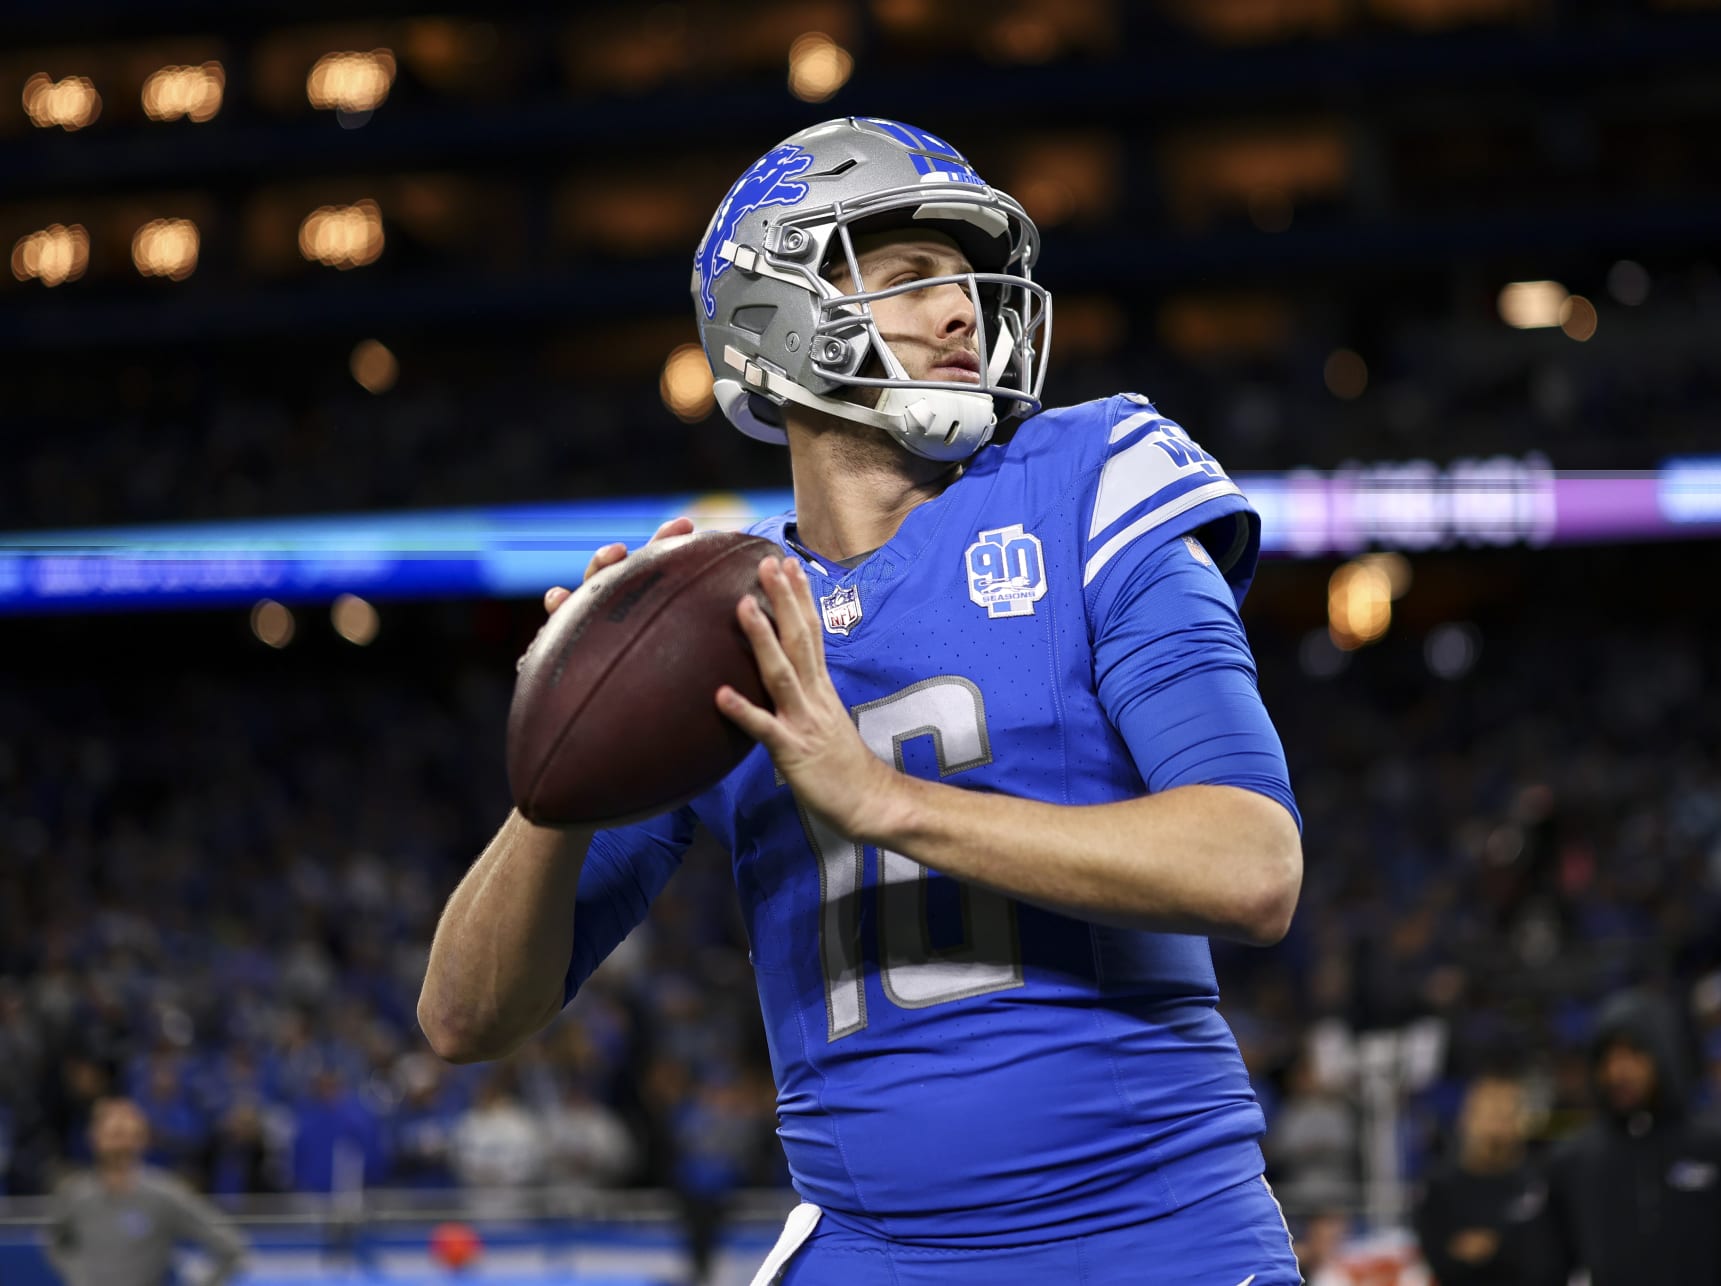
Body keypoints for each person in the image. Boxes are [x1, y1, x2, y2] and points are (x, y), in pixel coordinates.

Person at [419, 116, 1305, 1284]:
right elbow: (464, 1018)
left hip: (1150, 1232)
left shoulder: (1092, 477)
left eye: (965, 281)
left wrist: (884, 798)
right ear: (775, 320)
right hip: (874, 1250)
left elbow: (1251, 865)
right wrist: (562, 768)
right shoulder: (718, 616)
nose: (961, 314)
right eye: (908, 278)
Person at [1538, 989, 1721, 1285]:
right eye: (1608, 1057)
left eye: (1633, 1053)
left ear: (1663, 1052)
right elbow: (1549, 1270)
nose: (1619, 1071)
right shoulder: (1573, 1162)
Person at [42, 1097, 245, 1286]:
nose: (119, 1143)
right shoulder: (75, 1193)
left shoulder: (165, 1194)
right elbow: (55, 1239)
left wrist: (205, 1281)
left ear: (142, 1139)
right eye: (113, 1134)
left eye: (125, 1134)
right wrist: (77, 1276)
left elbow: (230, 1247)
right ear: (94, 1138)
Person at [1414, 1071, 1549, 1285]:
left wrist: (1492, 1248)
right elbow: (1440, 1262)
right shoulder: (1438, 1187)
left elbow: (1542, 1261)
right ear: (1466, 1119)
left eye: (1506, 1115)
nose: (1496, 1126)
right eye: (1489, 1114)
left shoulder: (1539, 1184)